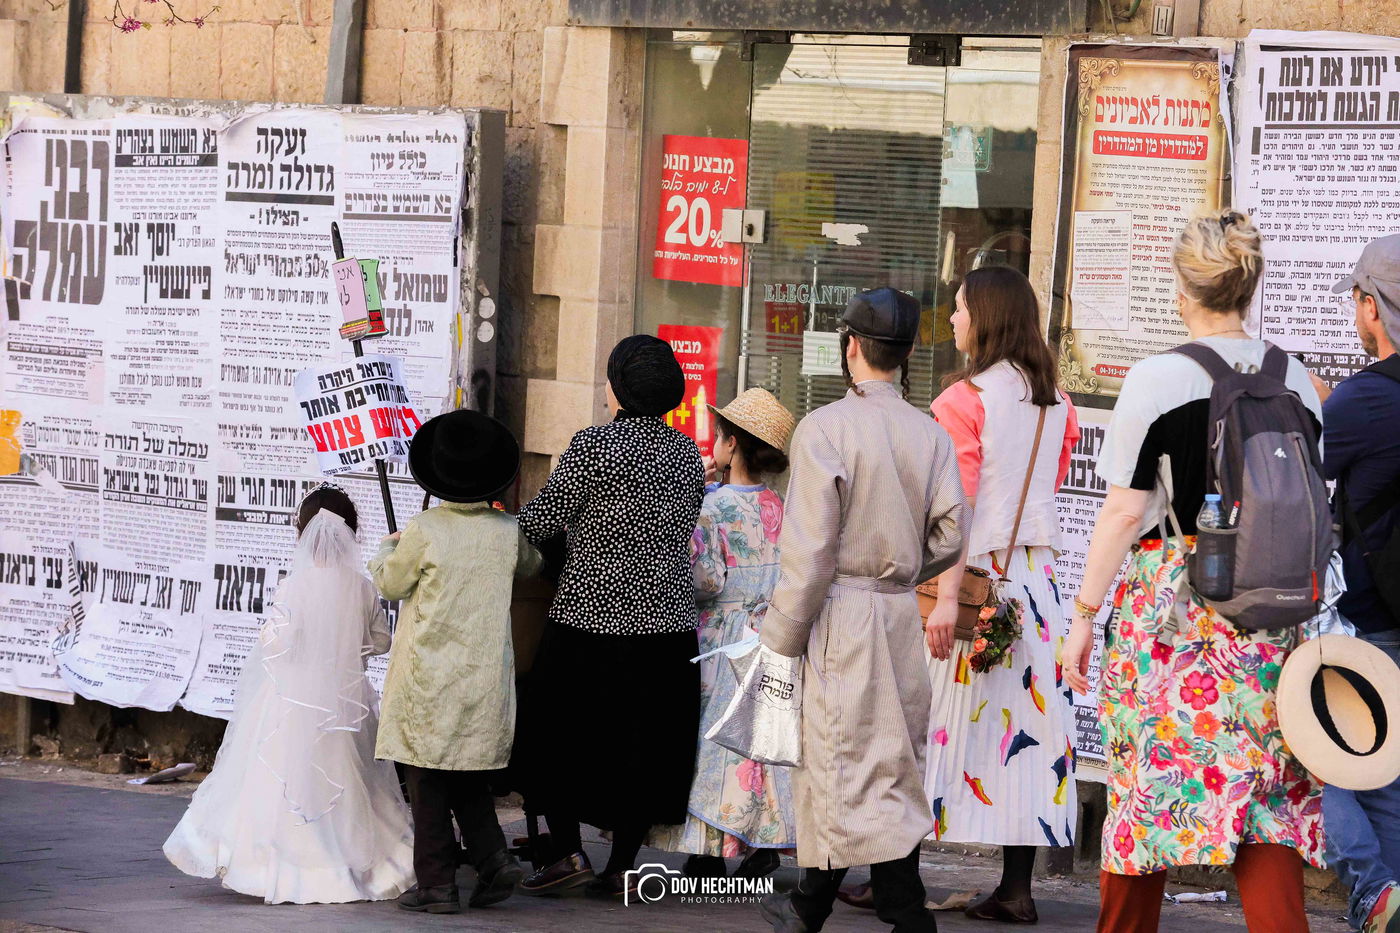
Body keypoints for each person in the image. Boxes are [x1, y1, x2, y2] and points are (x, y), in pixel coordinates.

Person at [1061, 210, 1325, 933]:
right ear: (1247, 287)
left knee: (1146, 792)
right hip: (1271, 620)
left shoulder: (1156, 379)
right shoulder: (1296, 379)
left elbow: (1124, 512)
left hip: (1173, 617)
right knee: (1266, 802)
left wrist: (1082, 616)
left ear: (1183, 292)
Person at [757, 287, 966, 933]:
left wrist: (780, 638)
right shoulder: (931, 435)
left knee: (838, 760)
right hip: (897, 612)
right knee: (889, 761)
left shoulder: (825, 428)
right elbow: (951, 535)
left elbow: (811, 550)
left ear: (850, 346)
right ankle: (831, 905)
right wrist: (901, 572)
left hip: (838, 614)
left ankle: (844, 908)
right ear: (904, 356)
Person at [515, 334, 705, 899]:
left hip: (587, 620)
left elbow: (541, 520)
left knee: (558, 739)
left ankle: (568, 852)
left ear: (619, 388)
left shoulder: (593, 445)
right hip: (665, 628)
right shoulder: (686, 455)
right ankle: (622, 864)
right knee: (642, 747)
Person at [163, 484, 415, 904]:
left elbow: (276, 643)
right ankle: (352, 864)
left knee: (278, 778)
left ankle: (275, 867)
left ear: (302, 533)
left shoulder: (293, 586)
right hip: (344, 702)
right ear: (351, 532)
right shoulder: (362, 587)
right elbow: (380, 641)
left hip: (292, 700)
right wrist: (345, 647)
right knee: (348, 778)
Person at [921, 266, 1080, 923]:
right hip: (1036, 587)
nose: (953, 319)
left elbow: (955, 509)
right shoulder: (1058, 401)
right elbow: (1050, 483)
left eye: (960, 308)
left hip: (973, 584)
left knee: (930, 718)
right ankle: (1017, 888)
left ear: (985, 317)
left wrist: (944, 596)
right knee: (1031, 731)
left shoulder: (963, 399)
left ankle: (895, 875)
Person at [370, 409, 541, 914]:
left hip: (429, 681)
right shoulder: (507, 531)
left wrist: (385, 547)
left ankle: (437, 886)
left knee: (426, 782)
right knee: (468, 776)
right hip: (484, 681)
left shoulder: (425, 529)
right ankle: (493, 859)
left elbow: (390, 583)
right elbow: (532, 565)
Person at [652, 387, 799, 879]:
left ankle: (711, 848)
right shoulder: (782, 506)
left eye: (719, 436)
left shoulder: (711, 507)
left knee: (714, 741)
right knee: (761, 742)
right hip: (771, 632)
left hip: (722, 636)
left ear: (731, 444)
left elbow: (707, 580)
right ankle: (761, 841)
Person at [1310, 234, 1400, 933]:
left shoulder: (1363, 401)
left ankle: (1372, 889)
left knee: (1322, 755)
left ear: (1373, 306)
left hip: (1364, 619)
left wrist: (1318, 404)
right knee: (1389, 774)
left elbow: (1303, 468)